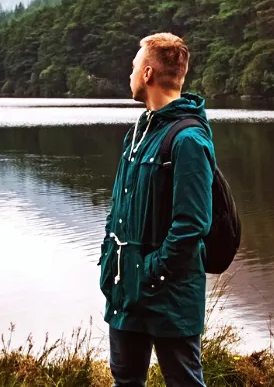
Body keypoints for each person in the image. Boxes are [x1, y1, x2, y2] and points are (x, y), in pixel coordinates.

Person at [98, 33, 215, 387]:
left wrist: (151, 272)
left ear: (148, 73)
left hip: (170, 296)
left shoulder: (189, 140)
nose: (129, 74)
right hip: (126, 291)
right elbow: (118, 206)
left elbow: (192, 224)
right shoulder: (135, 136)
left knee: (183, 382)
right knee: (126, 381)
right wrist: (109, 261)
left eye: (134, 67)